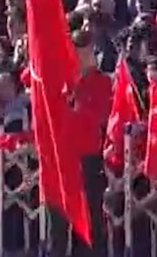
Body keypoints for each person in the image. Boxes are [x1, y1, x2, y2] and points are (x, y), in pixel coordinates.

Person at [51, 29, 112, 257]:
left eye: (88, 53)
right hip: (65, 157)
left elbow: (102, 116)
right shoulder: (64, 84)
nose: (85, 59)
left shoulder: (102, 82)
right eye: (80, 54)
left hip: (90, 157)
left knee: (91, 216)